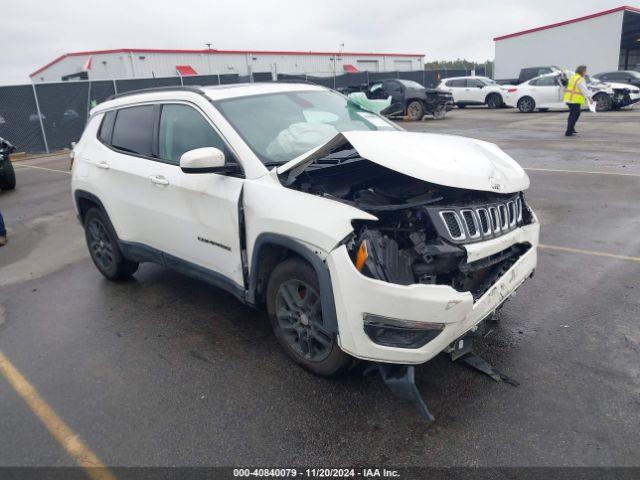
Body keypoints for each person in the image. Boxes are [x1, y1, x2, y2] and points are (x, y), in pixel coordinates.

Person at [564, 65, 593, 137]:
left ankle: (571, 129)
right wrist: (589, 98)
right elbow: (584, 90)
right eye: (585, 71)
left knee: (572, 115)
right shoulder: (580, 79)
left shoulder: (573, 77)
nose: (586, 72)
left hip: (569, 99)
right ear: (582, 71)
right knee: (574, 115)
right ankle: (568, 131)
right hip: (574, 100)